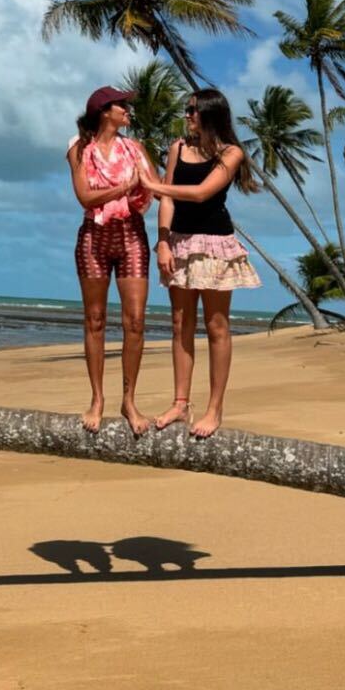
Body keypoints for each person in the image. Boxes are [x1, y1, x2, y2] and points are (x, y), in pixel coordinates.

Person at [139, 86, 262, 438]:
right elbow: (169, 200)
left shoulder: (232, 152)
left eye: (193, 110)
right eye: (186, 108)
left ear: (210, 113)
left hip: (214, 243)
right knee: (180, 324)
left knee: (217, 325)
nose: (187, 115)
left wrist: (153, 185)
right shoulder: (177, 147)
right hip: (178, 242)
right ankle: (180, 402)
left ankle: (214, 409)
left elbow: (201, 193)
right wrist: (162, 243)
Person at [67, 85, 156, 435]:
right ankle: (97, 399)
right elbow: (85, 198)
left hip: (132, 232)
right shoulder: (79, 151)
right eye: (123, 106)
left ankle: (129, 400)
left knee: (135, 321)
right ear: (106, 111)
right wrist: (123, 188)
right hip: (94, 235)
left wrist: (142, 186)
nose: (128, 112)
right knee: (95, 320)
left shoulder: (135, 149)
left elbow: (153, 185)